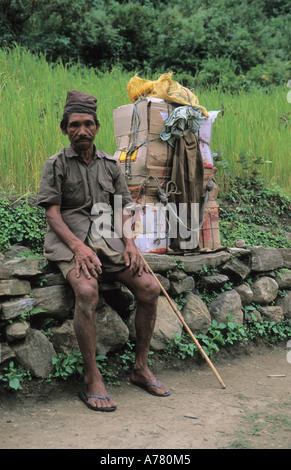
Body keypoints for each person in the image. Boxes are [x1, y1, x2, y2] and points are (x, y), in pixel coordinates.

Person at [37, 90, 171, 411]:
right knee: (87, 290)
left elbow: (124, 206)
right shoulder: (55, 165)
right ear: (64, 128)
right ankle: (92, 377)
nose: (81, 131)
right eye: (74, 125)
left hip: (106, 236)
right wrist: (78, 248)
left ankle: (140, 368)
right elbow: (52, 214)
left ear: (97, 127)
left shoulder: (111, 165)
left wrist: (129, 243)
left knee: (150, 287)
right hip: (68, 239)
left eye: (87, 124)